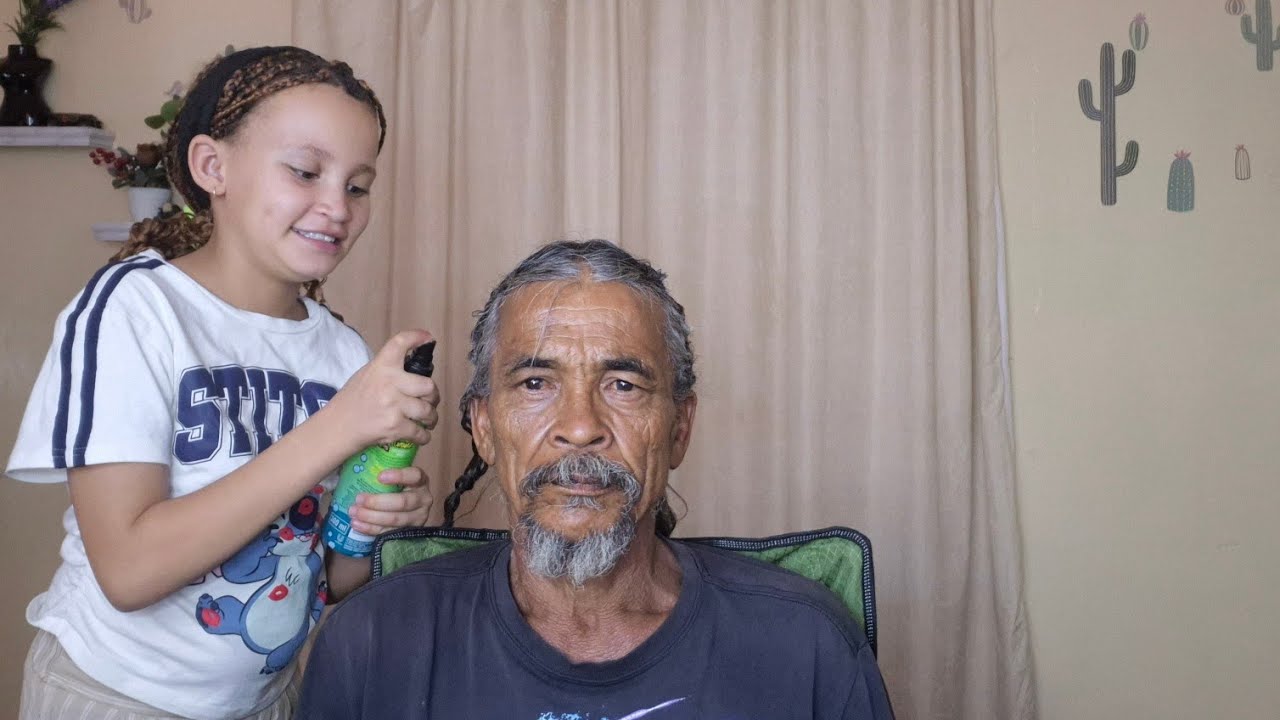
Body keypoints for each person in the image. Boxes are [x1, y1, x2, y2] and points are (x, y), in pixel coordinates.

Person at [6, 46, 440, 719]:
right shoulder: (136, 309)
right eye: (305, 171)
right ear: (213, 166)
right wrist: (338, 427)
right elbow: (128, 571)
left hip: (264, 702)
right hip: (116, 695)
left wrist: (374, 528)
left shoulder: (342, 353)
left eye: (357, 185)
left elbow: (320, 579)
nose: (337, 206)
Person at [297, 239, 894, 719]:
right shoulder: (372, 642)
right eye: (535, 384)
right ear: (482, 428)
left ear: (679, 428)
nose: (580, 427)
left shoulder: (804, 645)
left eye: (623, 386)